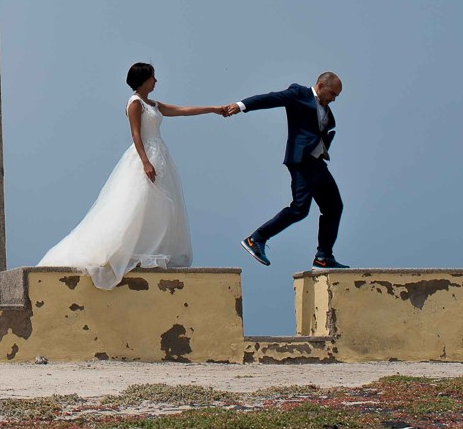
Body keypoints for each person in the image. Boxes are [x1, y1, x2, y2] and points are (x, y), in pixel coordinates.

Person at [37, 62, 240, 289]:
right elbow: (135, 134)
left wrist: (214, 108)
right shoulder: (135, 103)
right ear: (144, 79)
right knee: (136, 203)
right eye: (153, 77)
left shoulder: (152, 104)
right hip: (144, 156)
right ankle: (126, 251)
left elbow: (181, 110)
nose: (156, 81)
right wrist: (145, 162)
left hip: (160, 154)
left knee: (157, 205)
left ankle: (150, 253)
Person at [236, 71, 347, 270]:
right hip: (302, 161)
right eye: (332, 94)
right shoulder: (299, 94)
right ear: (320, 86)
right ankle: (256, 239)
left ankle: (323, 257)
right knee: (299, 208)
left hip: (317, 163)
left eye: (336, 96)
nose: (334, 99)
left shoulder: (325, 107)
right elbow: (270, 99)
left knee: (334, 207)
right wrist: (241, 106)